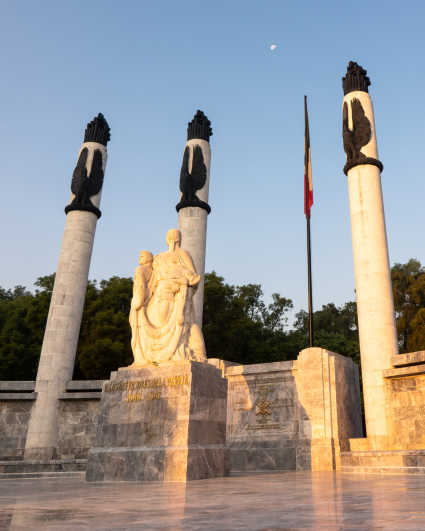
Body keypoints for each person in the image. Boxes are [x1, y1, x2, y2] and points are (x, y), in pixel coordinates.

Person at [128, 229, 206, 366]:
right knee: (188, 324)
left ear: (167, 239)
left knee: (186, 325)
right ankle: (196, 354)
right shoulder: (180, 254)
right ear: (178, 239)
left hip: (166, 296)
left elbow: (151, 282)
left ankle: (191, 354)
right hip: (169, 296)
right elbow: (194, 278)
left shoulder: (160, 257)